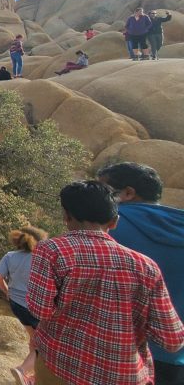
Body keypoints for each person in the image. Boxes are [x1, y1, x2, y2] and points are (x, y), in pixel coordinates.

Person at [26, 181, 184, 385]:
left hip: (61, 364)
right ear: (114, 221)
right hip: (124, 375)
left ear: (66, 216)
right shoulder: (146, 266)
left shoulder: (52, 250)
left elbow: (41, 310)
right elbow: (172, 340)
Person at [100, 163, 184, 384]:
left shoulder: (109, 225)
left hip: (116, 352)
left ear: (128, 193)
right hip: (175, 356)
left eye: (103, 191)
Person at [0, 226, 49, 385]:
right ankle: (22, 370)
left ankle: (33, 377)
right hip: (36, 307)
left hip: (17, 305)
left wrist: (7, 291)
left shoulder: (10, 256)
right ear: (39, 241)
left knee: (34, 338)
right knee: (44, 345)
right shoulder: (42, 258)